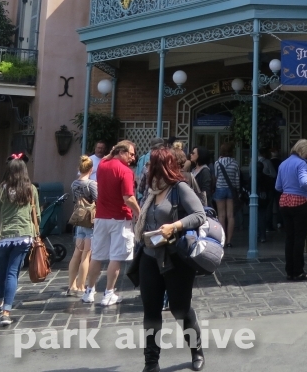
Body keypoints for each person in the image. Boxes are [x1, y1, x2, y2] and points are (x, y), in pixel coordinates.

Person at [136, 146, 207, 372]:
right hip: (149, 256)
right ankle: (151, 362)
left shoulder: (179, 188)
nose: (147, 168)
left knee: (180, 310)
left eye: (151, 164)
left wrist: (174, 226)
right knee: (151, 311)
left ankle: (196, 350)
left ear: (161, 167)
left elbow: (200, 215)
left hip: (175, 257)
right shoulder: (151, 190)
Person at [0, 154, 40, 327]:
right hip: (23, 234)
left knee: (2, 270)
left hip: (3, 236)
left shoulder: (0, 190)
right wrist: (37, 231)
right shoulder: (30, 189)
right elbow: (36, 215)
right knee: (13, 272)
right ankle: (6, 311)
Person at [84, 140, 140, 306]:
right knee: (116, 257)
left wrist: (114, 149)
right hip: (120, 218)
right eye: (130, 154)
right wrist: (140, 212)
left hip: (101, 217)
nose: (133, 157)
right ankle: (108, 293)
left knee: (97, 255)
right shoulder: (126, 171)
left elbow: (108, 157)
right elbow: (128, 197)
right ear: (121, 152)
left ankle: (89, 291)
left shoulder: (102, 165)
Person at [275, 139, 307, 281]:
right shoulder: (301, 163)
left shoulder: (283, 163)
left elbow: (278, 187)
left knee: (290, 238)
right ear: (304, 151)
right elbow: (304, 181)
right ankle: (298, 271)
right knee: (300, 238)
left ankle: (289, 271)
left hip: (284, 202)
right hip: (299, 202)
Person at [67, 155, 98, 296]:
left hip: (79, 220)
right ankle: (81, 286)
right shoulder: (91, 184)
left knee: (76, 254)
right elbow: (98, 201)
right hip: (90, 222)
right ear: (91, 169)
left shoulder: (74, 184)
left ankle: (71, 285)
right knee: (87, 255)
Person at [212, 143, 240, 248]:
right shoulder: (235, 163)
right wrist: (236, 190)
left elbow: (215, 177)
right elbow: (237, 179)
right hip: (231, 190)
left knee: (221, 216)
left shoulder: (217, 163)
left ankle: (222, 240)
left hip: (220, 189)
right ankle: (229, 241)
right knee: (230, 215)